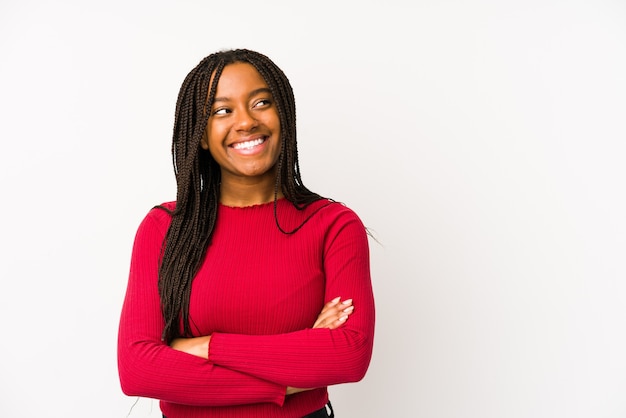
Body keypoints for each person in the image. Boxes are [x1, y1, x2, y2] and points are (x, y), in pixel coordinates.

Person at [117, 48, 375, 418]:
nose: (246, 122)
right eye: (222, 110)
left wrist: (203, 347)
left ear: (283, 115)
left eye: (261, 102)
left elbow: (348, 356)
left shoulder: (333, 225)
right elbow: (138, 369)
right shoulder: (164, 228)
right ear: (202, 135)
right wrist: (289, 378)